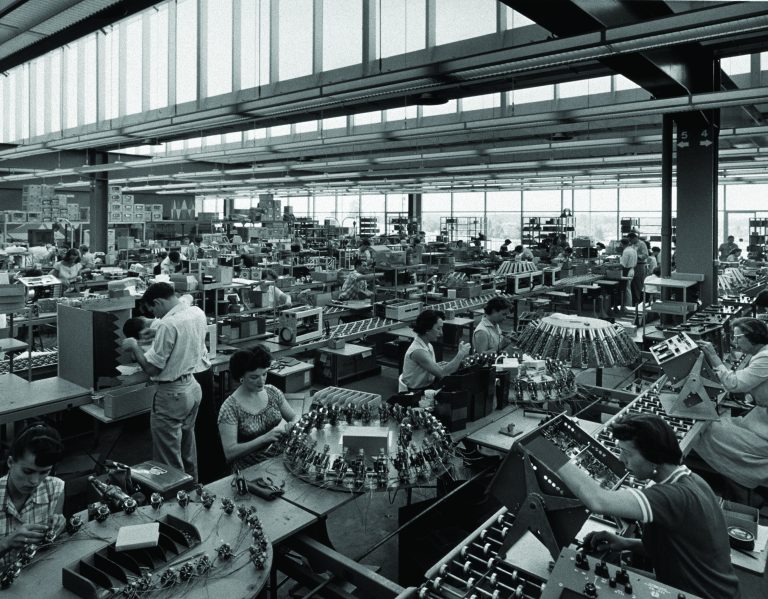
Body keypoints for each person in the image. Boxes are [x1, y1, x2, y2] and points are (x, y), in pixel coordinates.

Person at [558, 414, 740, 599]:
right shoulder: (692, 480)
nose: (622, 459)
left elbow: (598, 501)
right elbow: (679, 548)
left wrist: (544, 448)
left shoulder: (672, 496)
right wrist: (625, 543)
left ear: (654, 457)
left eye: (627, 453)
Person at [121, 282, 207, 481]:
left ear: (158, 302)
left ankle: (175, 499)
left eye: (154, 310)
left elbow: (152, 369)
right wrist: (156, 330)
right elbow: (185, 301)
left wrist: (134, 347)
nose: (155, 317)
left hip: (172, 395)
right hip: (193, 388)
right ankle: (193, 491)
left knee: (168, 459)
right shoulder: (196, 311)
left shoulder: (168, 324)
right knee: (187, 449)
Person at [693, 318, 768, 492]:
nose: (734, 342)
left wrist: (713, 356)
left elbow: (734, 384)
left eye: (737, 338)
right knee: (724, 422)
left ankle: (739, 478)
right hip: (760, 418)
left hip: (764, 427)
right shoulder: (761, 354)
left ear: (752, 337)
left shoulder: (765, 358)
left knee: (710, 431)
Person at [218, 346, 300, 470]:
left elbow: (294, 416)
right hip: (249, 468)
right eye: (254, 377)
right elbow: (229, 453)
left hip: (277, 458)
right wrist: (264, 439)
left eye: (264, 374)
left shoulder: (272, 392)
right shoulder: (230, 408)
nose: (261, 381)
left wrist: (293, 424)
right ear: (241, 377)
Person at [0, 424, 65, 569]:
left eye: (44, 472)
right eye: (28, 471)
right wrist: (6, 543)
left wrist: (58, 528)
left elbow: (51, 544)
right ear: (10, 462)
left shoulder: (55, 489)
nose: (35, 481)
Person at [398, 309, 471, 392]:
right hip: (416, 393)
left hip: (428, 386)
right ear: (427, 330)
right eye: (438, 329)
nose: (441, 333)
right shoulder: (418, 351)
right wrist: (460, 354)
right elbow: (443, 374)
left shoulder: (428, 345)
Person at [627, 232, 647, 306]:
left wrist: (636, 256)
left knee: (638, 284)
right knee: (633, 284)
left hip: (639, 265)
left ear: (635, 238)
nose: (630, 242)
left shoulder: (642, 244)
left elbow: (645, 255)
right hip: (633, 266)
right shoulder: (632, 245)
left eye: (631, 240)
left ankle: (639, 302)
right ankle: (634, 301)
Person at [619, 238, 637, 310]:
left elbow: (623, 264)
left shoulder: (626, 251)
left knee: (627, 290)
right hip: (632, 269)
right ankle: (628, 306)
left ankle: (628, 307)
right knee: (628, 289)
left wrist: (611, 265)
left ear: (621, 244)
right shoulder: (633, 250)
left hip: (627, 271)